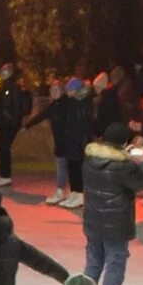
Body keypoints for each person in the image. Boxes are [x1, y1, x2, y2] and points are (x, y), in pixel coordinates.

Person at [79, 121, 143, 285]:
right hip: (116, 223)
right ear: (123, 143)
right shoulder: (123, 166)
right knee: (115, 264)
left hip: (93, 220)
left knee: (93, 263)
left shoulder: (89, 160)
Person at [24, 75, 93, 206]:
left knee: (73, 167)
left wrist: (83, 139)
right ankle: (73, 193)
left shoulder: (73, 102)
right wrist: (27, 125)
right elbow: (43, 115)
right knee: (70, 167)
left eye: (58, 90)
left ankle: (75, 194)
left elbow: (83, 124)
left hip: (74, 141)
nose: (68, 92)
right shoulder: (65, 103)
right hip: (66, 141)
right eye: (52, 90)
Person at [0, 65, 31, 186]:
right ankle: (4, 175)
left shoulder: (11, 87)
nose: (3, 73)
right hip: (6, 123)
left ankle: (5, 176)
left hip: (8, 124)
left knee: (4, 148)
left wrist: (12, 121)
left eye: (5, 72)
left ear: (10, 73)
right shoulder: (5, 87)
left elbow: (11, 107)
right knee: (3, 148)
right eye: (2, 71)